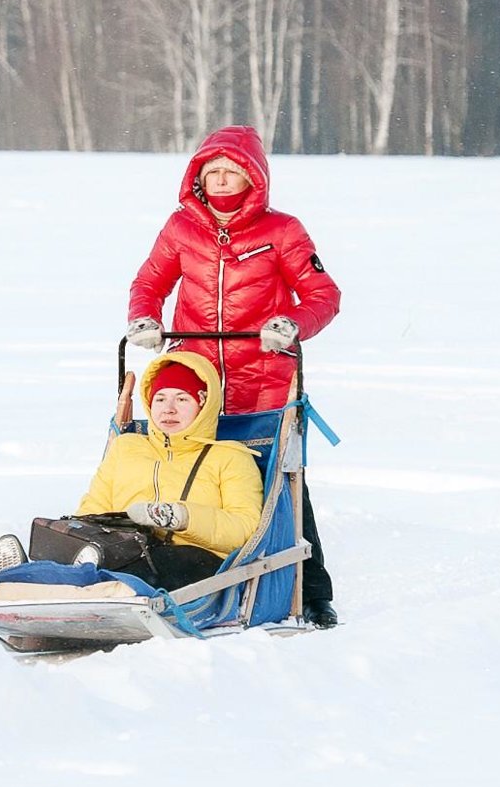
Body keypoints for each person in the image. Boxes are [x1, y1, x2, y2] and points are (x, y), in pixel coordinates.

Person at [124, 125, 341, 626]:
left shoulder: (283, 231)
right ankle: (185, 578)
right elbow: (150, 281)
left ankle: (311, 593)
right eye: (212, 172)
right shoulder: (181, 228)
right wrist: (145, 318)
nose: (221, 181)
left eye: (232, 172)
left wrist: (292, 325)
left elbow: (323, 295)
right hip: (197, 384)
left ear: (254, 178)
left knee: (281, 487)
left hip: (264, 384)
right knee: (190, 479)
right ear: (197, 177)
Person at [0, 353, 263, 591]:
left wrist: (181, 516)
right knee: (90, 553)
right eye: (160, 398)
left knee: (150, 566)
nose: (169, 409)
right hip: (126, 546)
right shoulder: (127, 447)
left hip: (197, 556)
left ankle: (57, 585)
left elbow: (245, 529)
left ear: (203, 404)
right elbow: (94, 506)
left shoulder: (231, 456)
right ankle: (27, 577)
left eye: (182, 398)